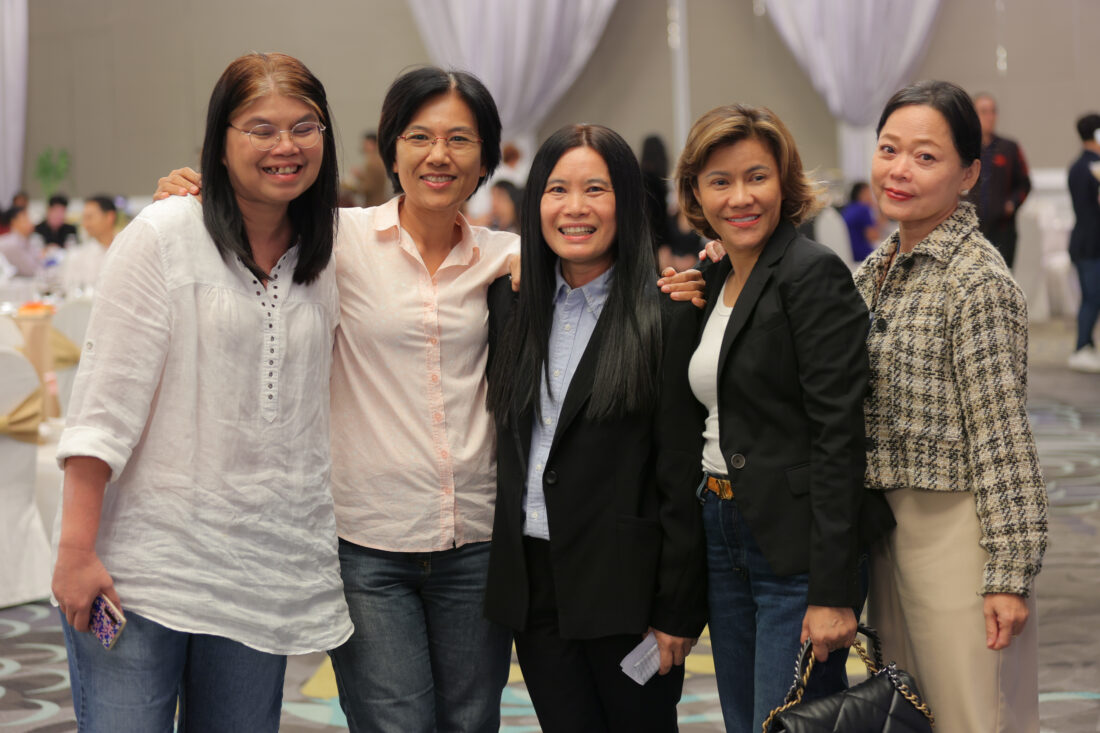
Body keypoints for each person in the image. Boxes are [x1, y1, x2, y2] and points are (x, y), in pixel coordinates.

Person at [154, 70, 707, 733]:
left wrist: (679, 287)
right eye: (419, 137)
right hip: (369, 543)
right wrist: (192, 195)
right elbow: (251, 221)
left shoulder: (511, 263)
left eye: (459, 139)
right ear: (391, 149)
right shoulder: (334, 239)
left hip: (478, 543)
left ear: (486, 158)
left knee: (472, 721)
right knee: (397, 722)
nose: (438, 155)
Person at [50, 52, 353, 732]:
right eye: (260, 128)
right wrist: (75, 551)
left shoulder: (330, 252)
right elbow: (103, 405)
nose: (285, 145)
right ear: (220, 142)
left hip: (259, 574)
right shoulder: (164, 236)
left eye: (304, 127)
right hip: (142, 571)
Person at [674, 104, 892, 733]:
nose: (740, 197)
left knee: (785, 724)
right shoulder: (716, 277)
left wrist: (832, 593)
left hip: (795, 549)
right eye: (720, 181)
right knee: (747, 722)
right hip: (722, 530)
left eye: (756, 177)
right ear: (696, 193)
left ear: (784, 181)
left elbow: (839, 437)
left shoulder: (811, 272)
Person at [484, 124, 707, 732]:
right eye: (557, 189)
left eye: (596, 189)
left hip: (627, 592)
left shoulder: (666, 316)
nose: (575, 208)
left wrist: (677, 611)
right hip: (534, 585)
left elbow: (680, 477)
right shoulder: (509, 306)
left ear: (626, 202)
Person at [856, 80, 1048, 732]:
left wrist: (1008, 572)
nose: (899, 169)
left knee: (975, 716)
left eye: (925, 156)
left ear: (968, 174)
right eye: (889, 149)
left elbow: (1002, 434)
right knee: (909, 717)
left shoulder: (977, 279)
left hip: (957, 533)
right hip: (886, 531)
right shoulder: (876, 270)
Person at [965, 93, 1031, 269]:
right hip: (971, 229)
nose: (990, 117)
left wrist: (1012, 204)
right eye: (984, 111)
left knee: (1003, 278)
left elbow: (1025, 184)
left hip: (1003, 230)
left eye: (993, 111)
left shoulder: (1009, 148)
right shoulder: (965, 149)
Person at [1066, 112, 1100, 373]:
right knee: (1092, 297)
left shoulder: (1077, 165)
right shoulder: (1091, 167)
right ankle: (1081, 347)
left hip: (1084, 240)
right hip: (1091, 243)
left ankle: (1086, 346)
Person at [62, 195, 117, 292]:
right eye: (84, 218)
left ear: (110, 217)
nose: (85, 224)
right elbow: (69, 290)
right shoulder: (77, 256)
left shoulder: (126, 251)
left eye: (90, 217)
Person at [345, 131, 390, 207]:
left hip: (374, 203)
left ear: (374, 145)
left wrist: (350, 187)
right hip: (380, 202)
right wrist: (360, 176)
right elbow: (374, 180)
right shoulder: (378, 159)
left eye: (366, 144)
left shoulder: (372, 163)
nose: (363, 146)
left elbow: (368, 188)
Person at [840, 181, 881, 262]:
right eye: (869, 193)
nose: (871, 197)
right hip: (862, 254)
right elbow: (873, 236)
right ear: (862, 193)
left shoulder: (848, 208)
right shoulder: (863, 209)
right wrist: (879, 210)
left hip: (850, 253)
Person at [0, 205, 44, 277]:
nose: (30, 222)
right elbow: (31, 271)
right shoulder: (12, 244)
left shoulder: (26, 240)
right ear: (14, 222)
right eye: (25, 219)